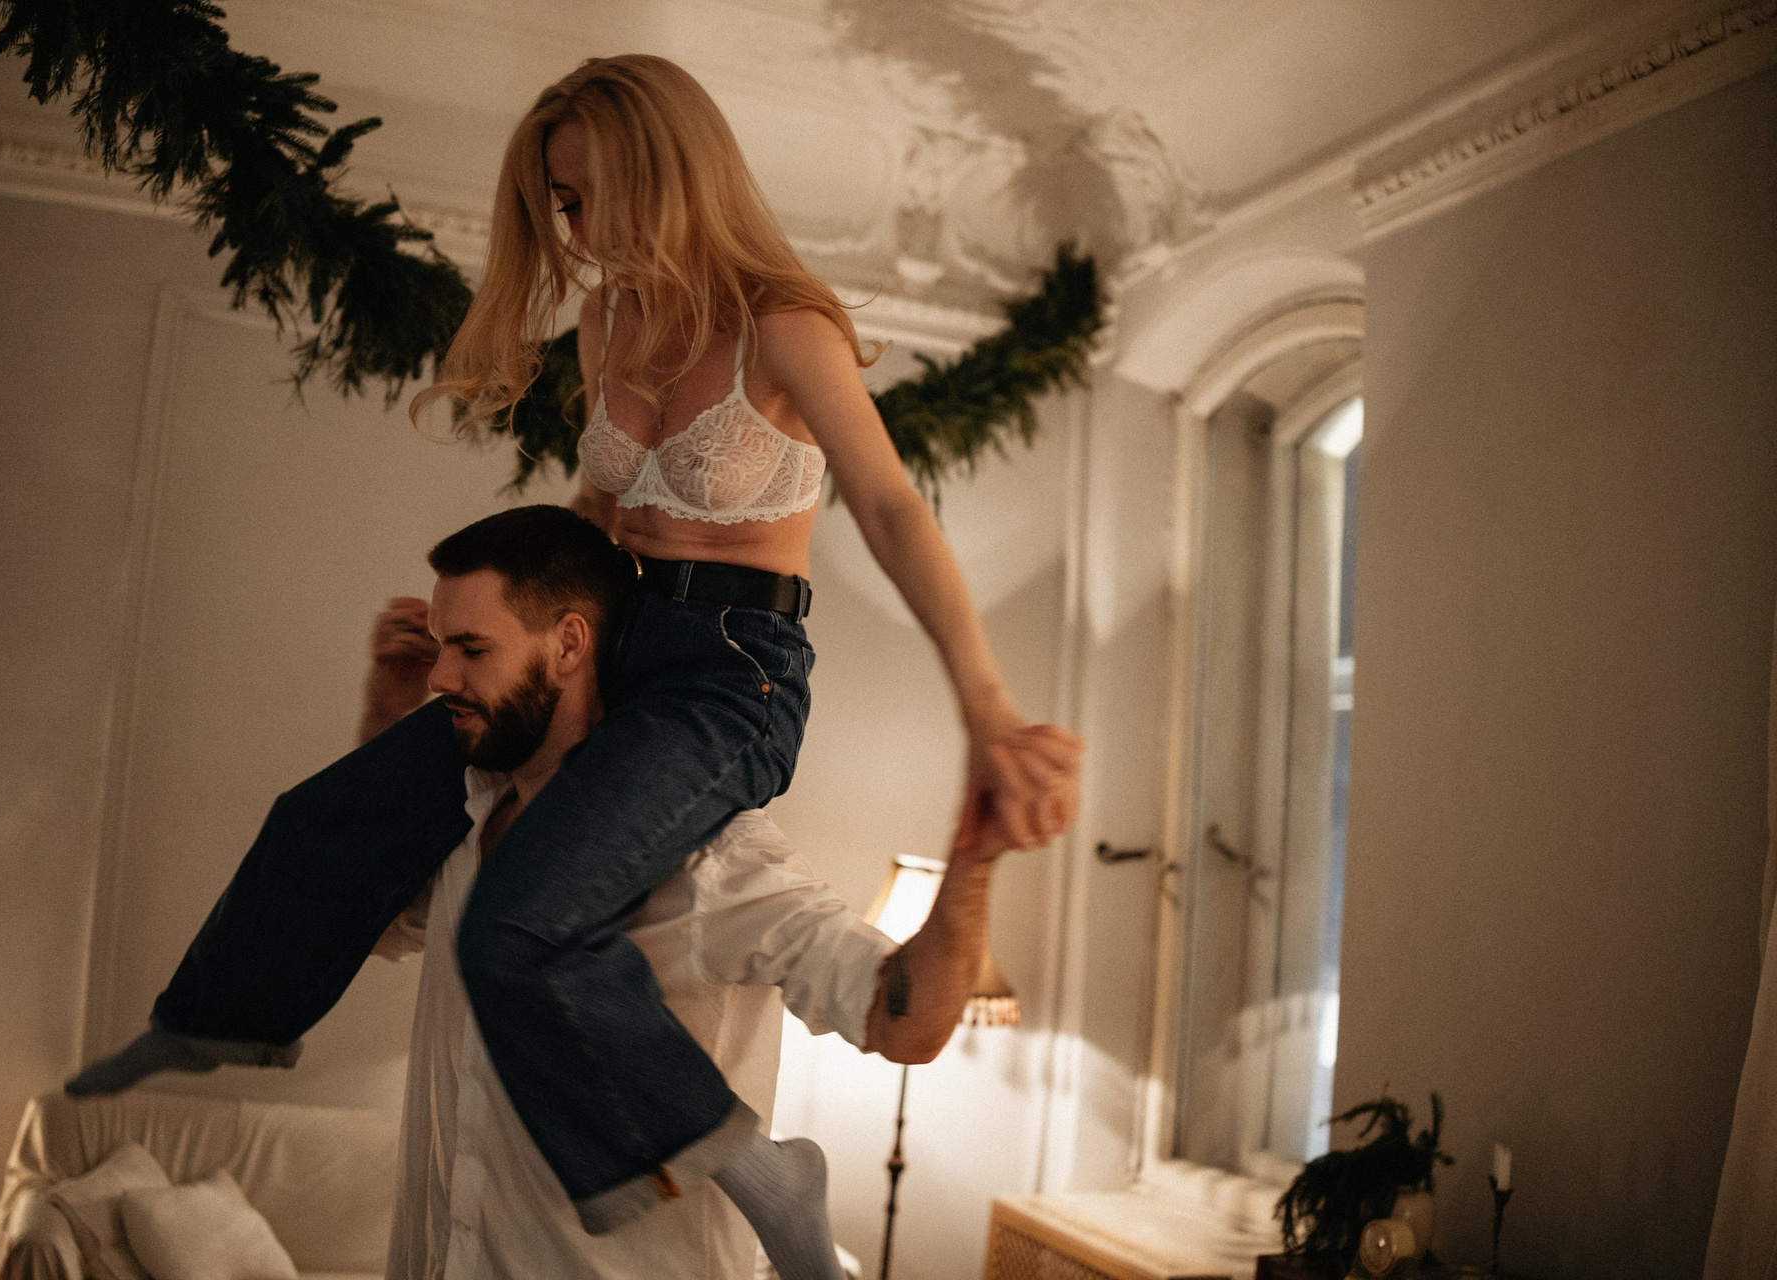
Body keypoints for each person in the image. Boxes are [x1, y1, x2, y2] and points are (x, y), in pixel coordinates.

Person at [69, 55, 1082, 1280]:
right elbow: (597, 517)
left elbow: (891, 506)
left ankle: (766, 1175)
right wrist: (490, 628)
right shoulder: (608, 322)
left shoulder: (783, 327)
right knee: (330, 811)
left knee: (523, 916)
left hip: (728, 674)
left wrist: (986, 704)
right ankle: (206, 1021)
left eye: (596, 195)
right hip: (609, 635)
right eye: (562, 203)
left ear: (673, 172)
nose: (582, 230)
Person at [367, 514, 1024, 1280]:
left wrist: (975, 859)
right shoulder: (470, 812)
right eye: (441, 647)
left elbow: (907, 1025)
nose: (441, 677)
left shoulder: (716, 862)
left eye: (472, 649)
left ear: (570, 645)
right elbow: (375, 925)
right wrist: (384, 713)